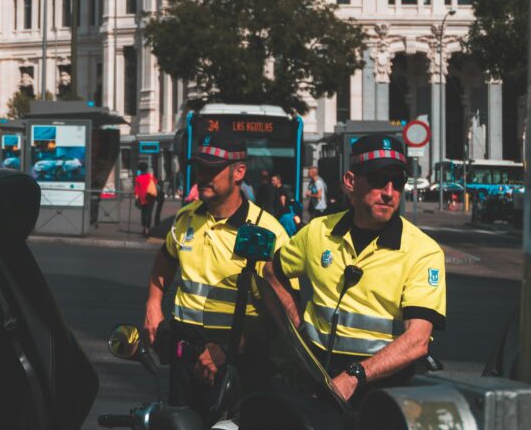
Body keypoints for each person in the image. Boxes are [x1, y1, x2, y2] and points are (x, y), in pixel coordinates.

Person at [265, 134, 446, 405]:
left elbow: (418, 339)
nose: (388, 192)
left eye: (397, 183)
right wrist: (296, 322)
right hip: (314, 383)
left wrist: (354, 376)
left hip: (383, 392)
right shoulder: (317, 231)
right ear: (350, 181)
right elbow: (271, 271)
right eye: (377, 179)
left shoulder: (423, 251)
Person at [143, 132, 290, 416]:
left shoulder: (266, 231)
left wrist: (228, 349)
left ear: (239, 172)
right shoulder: (186, 217)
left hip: (239, 362)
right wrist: (153, 303)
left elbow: (282, 316)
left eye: (213, 169)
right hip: (184, 357)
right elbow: (165, 258)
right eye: (199, 167)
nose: (203, 175)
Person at [134, 162, 159, 236]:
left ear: (140, 170)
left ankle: (144, 228)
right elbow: (156, 183)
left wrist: (137, 197)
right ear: (146, 168)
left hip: (142, 198)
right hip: (150, 197)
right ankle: (147, 229)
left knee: (143, 213)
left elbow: (137, 190)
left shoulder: (138, 178)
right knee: (149, 213)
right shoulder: (151, 176)